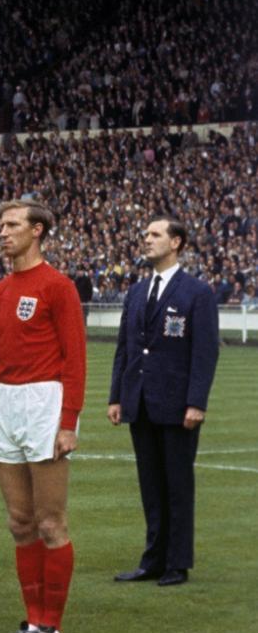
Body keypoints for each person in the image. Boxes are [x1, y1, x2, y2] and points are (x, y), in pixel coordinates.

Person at [0, 200, 86, 633]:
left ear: (37, 230)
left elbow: (75, 357)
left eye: (12, 225)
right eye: (1, 225)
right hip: (7, 402)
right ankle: (32, 623)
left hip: (45, 401)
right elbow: (1, 354)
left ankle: (52, 629)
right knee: (20, 522)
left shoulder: (58, 286)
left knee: (50, 521)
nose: (3, 232)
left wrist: (68, 422)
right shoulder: (3, 288)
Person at [108, 216, 219, 587]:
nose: (147, 239)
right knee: (151, 486)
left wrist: (196, 402)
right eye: (145, 234)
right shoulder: (138, 291)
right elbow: (125, 348)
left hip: (177, 404)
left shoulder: (197, 292)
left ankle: (177, 562)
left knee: (177, 485)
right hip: (140, 401)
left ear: (176, 242)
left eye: (155, 234)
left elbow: (204, 352)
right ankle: (153, 559)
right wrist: (116, 396)